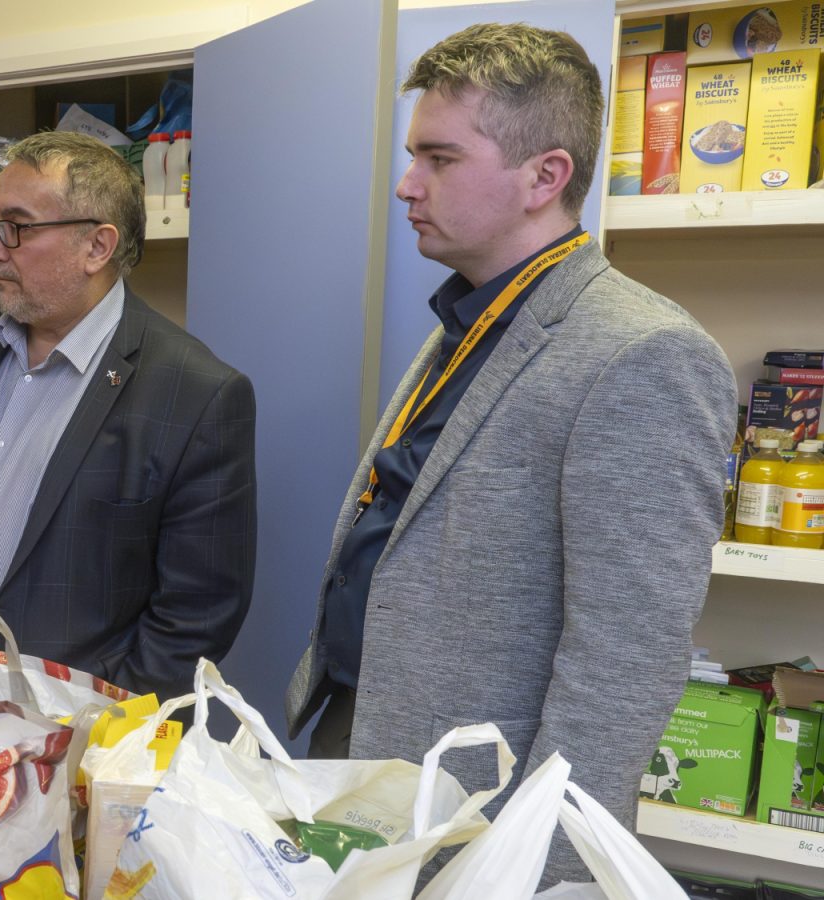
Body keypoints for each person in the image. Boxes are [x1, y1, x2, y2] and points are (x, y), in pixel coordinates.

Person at [283, 23, 736, 884]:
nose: (406, 185)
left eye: (440, 159)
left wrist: (538, 868)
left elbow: (623, 666)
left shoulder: (643, 353)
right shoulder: (470, 317)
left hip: (483, 817)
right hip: (369, 745)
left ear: (546, 176)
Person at [0, 131, 256, 701]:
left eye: (16, 228)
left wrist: (86, 742)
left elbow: (194, 622)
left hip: (60, 742)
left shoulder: (197, 394)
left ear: (97, 246)